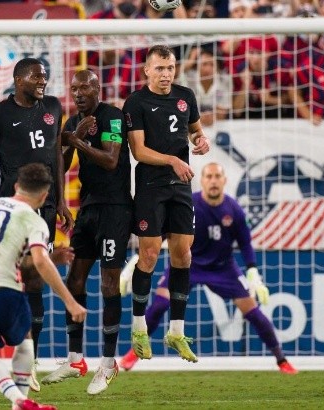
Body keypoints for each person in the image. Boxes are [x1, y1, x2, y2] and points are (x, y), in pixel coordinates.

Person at [118, 163, 299, 374]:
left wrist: (252, 272)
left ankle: (281, 360)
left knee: (253, 312)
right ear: (202, 180)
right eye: (209, 176)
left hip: (223, 268)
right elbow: (163, 234)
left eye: (217, 176)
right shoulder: (189, 204)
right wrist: (135, 262)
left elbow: (246, 244)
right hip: (187, 264)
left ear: (224, 180)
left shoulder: (234, 210)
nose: (213, 181)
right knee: (158, 306)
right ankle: (133, 354)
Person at [0, 57, 73, 391]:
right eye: (37, 76)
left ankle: (31, 361)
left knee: (36, 281)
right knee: (4, 279)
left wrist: (63, 199)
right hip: (12, 208)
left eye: (44, 75)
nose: (43, 81)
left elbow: (56, 154)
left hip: (46, 205)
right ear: (18, 79)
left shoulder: (54, 107)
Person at [0, 163, 87, 410]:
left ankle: (19, 401)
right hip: (3, 293)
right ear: (45, 195)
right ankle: (21, 401)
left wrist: (48, 258)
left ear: (15, 186)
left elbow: (10, 256)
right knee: (25, 343)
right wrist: (70, 301)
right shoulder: (34, 221)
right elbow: (39, 263)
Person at [40, 70, 133, 395]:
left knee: (109, 283)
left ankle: (108, 363)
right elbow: (60, 166)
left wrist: (77, 139)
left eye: (84, 88)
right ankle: (76, 358)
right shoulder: (70, 121)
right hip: (88, 209)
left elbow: (111, 160)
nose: (78, 93)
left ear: (97, 89)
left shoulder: (112, 116)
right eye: (74, 88)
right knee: (74, 279)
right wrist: (68, 141)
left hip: (116, 209)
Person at [122, 44, 210, 364]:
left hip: (181, 185)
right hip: (150, 186)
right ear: (147, 70)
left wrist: (201, 141)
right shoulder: (136, 101)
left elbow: (196, 131)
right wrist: (173, 159)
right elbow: (139, 151)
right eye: (159, 68)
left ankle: (175, 331)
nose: (166, 74)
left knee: (183, 254)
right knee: (148, 254)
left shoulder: (186, 95)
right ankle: (138, 327)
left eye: (170, 68)